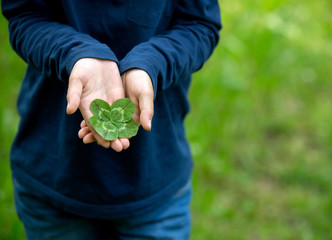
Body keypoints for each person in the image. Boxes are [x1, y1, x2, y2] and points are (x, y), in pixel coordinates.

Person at [1, 0, 221, 239]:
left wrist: (151, 63)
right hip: (53, 174)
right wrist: (76, 53)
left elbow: (200, 24)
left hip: (154, 177)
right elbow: (25, 13)